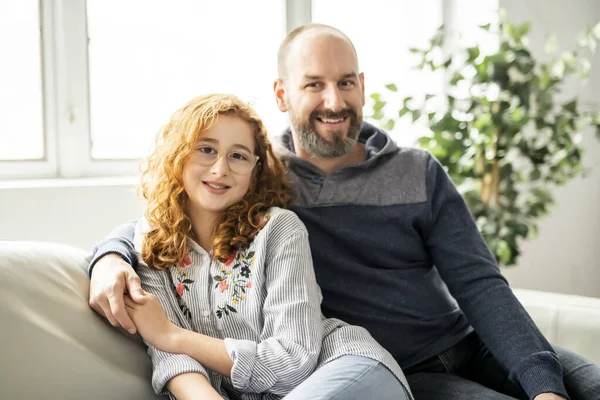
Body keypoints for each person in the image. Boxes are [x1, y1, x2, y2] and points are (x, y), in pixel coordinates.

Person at [89, 24, 600, 400]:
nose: (334, 101)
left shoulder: (417, 170)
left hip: (469, 341)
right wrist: (109, 257)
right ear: (282, 94)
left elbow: (481, 283)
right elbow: (172, 214)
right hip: (401, 372)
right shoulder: (260, 179)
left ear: (362, 85)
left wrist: (542, 383)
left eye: (347, 82)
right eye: (314, 84)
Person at [117, 93, 410, 399]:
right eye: (206, 149)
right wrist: (168, 340)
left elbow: (292, 363)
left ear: (254, 170)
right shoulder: (151, 242)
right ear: (178, 154)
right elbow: (171, 359)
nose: (220, 169)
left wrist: (172, 335)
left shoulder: (279, 229)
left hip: (348, 367)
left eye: (238, 156)